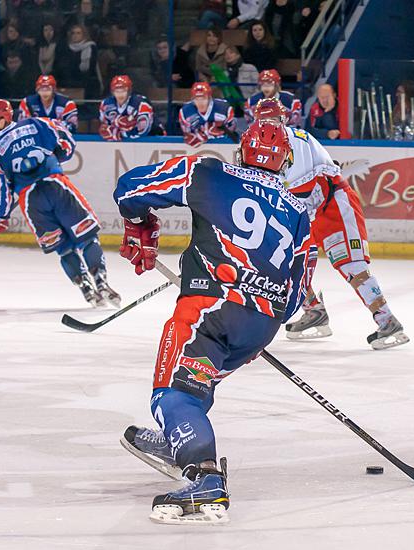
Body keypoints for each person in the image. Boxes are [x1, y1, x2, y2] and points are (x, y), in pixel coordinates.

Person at [114, 121, 316, 524]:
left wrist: (139, 226)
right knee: (196, 384)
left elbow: (130, 188)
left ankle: (204, 477)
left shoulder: (208, 171)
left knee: (175, 394)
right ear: (285, 163)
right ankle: (179, 438)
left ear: (241, 152)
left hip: (209, 311)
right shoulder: (299, 213)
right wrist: (258, 318)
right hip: (261, 324)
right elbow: (298, 291)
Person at [255, 98, 409, 349]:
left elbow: (306, 189)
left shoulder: (297, 141)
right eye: (263, 121)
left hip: (334, 205)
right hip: (304, 209)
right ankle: (314, 310)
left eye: (273, 120)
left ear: (284, 120)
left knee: (351, 264)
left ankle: (387, 320)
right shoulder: (257, 145)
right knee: (286, 261)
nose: (268, 126)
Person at [0, 99, 121, 307]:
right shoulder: (37, 123)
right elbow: (66, 139)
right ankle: (102, 282)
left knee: (63, 248)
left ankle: (86, 289)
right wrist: (61, 154)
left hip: (31, 202)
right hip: (57, 188)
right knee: (87, 238)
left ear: (2, 120)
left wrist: (0, 216)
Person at [98, 75, 162, 141]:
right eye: (117, 91)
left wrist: (120, 134)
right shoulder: (106, 104)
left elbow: (143, 131)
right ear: (112, 92)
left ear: (129, 91)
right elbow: (105, 126)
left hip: (154, 138)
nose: (120, 94)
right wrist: (108, 130)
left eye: (123, 91)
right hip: (123, 142)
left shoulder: (141, 104)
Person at [179, 81, 237, 147]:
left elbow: (232, 129)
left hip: (223, 145)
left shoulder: (223, 108)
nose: (200, 102)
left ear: (209, 97)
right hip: (197, 147)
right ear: (192, 99)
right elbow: (187, 134)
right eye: (196, 98)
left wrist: (222, 131)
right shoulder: (185, 111)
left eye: (203, 98)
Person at [53, 24, 101, 99]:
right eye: (73, 33)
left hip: (85, 84)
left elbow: (91, 68)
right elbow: (61, 66)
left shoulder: (91, 47)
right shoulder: (65, 48)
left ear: (84, 35)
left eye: (78, 33)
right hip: (67, 84)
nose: (75, 35)